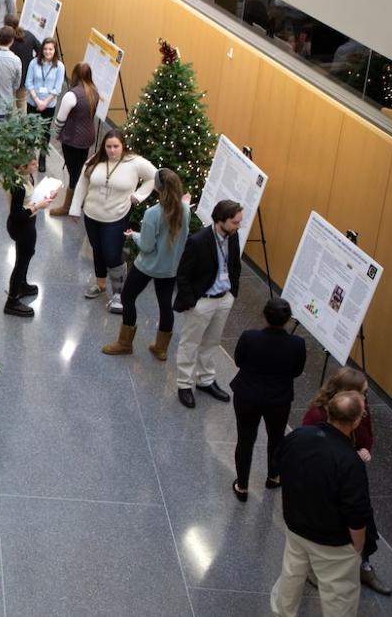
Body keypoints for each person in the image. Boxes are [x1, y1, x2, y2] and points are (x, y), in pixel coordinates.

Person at [269, 391, 372, 617]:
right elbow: (356, 511)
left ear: (328, 411)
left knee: (291, 574)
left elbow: (279, 464)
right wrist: (358, 546)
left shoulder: (299, 435)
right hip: (332, 542)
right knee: (339, 596)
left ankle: (282, 612)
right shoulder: (350, 461)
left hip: (295, 526)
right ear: (355, 421)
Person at [301, 367, 390, 596]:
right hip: (326, 483)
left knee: (361, 517)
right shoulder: (316, 416)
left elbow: (366, 438)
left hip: (351, 476)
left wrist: (364, 451)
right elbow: (308, 452)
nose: (366, 399)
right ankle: (315, 568)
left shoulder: (361, 409)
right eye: (363, 393)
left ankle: (363, 564)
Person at [101, 168, 189, 358]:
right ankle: (161, 348)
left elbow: (148, 247)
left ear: (158, 188)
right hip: (170, 268)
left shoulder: (153, 213)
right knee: (165, 304)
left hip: (147, 267)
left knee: (128, 297)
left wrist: (134, 236)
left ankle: (125, 343)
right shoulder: (185, 210)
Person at [229, 297, 305, 501]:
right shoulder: (297, 344)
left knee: (245, 439)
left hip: (247, 395)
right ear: (288, 319)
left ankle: (242, 486)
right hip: (278, 400)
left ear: (264, 315)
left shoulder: (249, 337)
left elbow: (239, 360)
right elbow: (297, 371)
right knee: (276, 438)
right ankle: (273, 476)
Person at [72, 130, 156, 311]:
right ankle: (100, 285)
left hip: (116, 217)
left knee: (112, 254)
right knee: (98, 250)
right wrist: (75, 209)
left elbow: (154, 177)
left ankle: (119, 293)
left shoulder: (135, 162)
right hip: (92, 215)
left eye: (115, 146)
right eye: (108, 146)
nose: (111, 150)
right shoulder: (95, 160)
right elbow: (82, 182)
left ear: (123, 145)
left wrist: (139, 195)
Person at [172, 199, 243, 408]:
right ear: (221, 220)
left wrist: (233, 293)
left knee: (212, 341)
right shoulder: (198, 241)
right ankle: (184, 384)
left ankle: (205, 380)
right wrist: (192, 301)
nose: (239, 226)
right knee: (190, 342)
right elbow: (183, 274)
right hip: (202, 301)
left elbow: (235, 265)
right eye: (235, 222)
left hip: (224, 299)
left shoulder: (233, 236)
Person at [4, 156, 57, 317]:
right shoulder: (18, 186)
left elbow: (30, 198)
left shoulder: (26, 177)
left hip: (27, 224)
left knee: (27, 254)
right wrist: (37, 206)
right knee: (22, 261)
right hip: (22, 226)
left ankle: (22, 284)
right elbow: (16, 215)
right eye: (32, 164)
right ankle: (12, 301)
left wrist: (45, 196)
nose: (36, 166)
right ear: (22, 166)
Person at [49, 62, 98, 215]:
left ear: (75, 75)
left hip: (72, 139)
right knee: (80, 168)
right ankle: (80, 198)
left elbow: (60, 119)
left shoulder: (72, 95)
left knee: (74, 172)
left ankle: (68, 206)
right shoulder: (94, 92)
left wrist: (56, 134)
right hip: (87, 137)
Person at [24, 38, 64, 171]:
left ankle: (42, 158)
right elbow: (28, 82)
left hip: (49, 105)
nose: (47, 51)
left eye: (50, 49)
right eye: (45, 49)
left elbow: (57, 88)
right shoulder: (34, 63)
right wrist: (37, 100)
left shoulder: (59, 66)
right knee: (31, 131)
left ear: (54, 50)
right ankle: (30, 159)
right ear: (42, 50)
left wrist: (45, 102)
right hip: (33, 102)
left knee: (45, 132)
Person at [5, 16, 39, 107]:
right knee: (22, 101)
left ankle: (10, 121)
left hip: (9, 76)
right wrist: (32, 61)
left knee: (9, 103)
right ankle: (22, 121)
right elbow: (40, 49)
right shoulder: (29, 35)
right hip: (25, 74)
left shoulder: (6, 39)